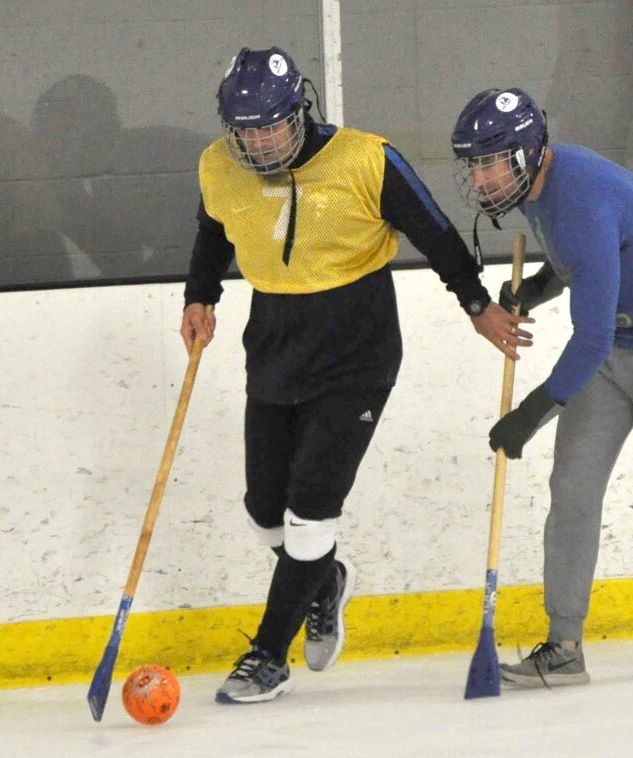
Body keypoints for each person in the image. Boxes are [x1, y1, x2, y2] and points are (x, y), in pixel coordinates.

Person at [180, 48, 532, 705]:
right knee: (265, 516)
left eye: (270, 127)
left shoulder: (366, 158)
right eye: (244, 131)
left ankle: (265, 656)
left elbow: (436, 233)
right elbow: (212, 231)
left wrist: (478, 306)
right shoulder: (217, 166)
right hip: (274, 339)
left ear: (299, 111)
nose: (256, 143)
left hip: (357, 345)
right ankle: (323, 581)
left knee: (310, 513)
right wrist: (199, 296)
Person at [449, 87, 633, 686]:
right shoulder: (537, 187)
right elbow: (579, 260)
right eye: (474, 165)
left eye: (490, 163)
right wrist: (537, 287)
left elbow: (589, 339)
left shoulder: (579, 198)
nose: (481, 180)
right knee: (573, 488)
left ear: (526, 154)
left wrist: (530, 414)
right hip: (616, 350)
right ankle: (563, 647)